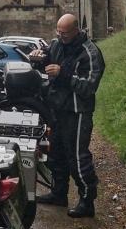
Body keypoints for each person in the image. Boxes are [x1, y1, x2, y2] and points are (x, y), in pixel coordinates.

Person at [29, 13, 105, 218]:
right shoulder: (56, 45)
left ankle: (87, 202)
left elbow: (89, 87)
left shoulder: (90, 53)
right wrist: (36, 57)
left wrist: (63, 73)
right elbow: (46, 59)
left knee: (77, 157)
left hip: (77, 112)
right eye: (58, 31)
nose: (60, 36)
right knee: (54, 154)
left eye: (64, 33)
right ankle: (58, 193)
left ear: (76, 30)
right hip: (55, 108)